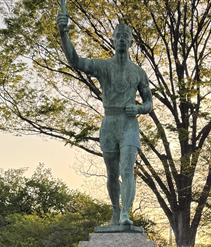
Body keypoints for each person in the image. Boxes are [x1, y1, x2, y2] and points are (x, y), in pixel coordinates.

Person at [57, 3, 153, 227]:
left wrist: (139, 108)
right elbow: (76, 61)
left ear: (131, 42)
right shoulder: (103, 67)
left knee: (127, 169)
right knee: (112, 173)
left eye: (126, 36)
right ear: (113, 40)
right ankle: (116, 211)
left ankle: (126, 213)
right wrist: (63, 33)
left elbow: (149, 102)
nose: (122, 39)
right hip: (109, 123)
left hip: (129, 124)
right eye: (118, 36)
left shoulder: (138, 72)